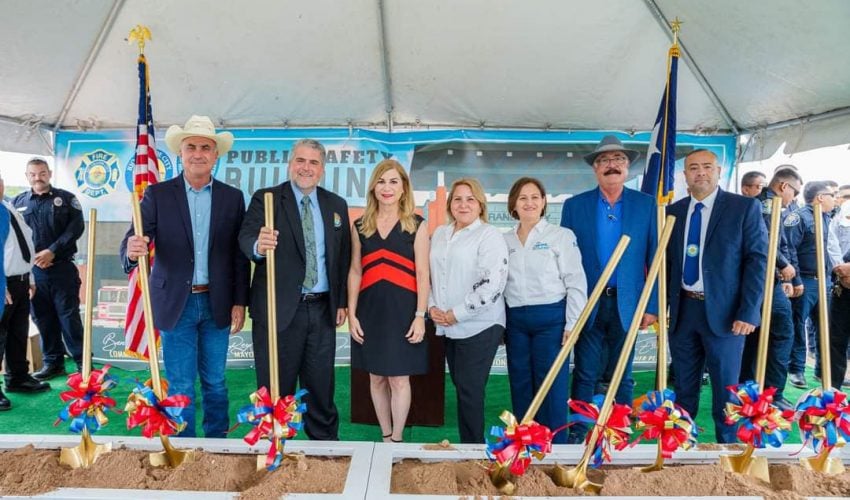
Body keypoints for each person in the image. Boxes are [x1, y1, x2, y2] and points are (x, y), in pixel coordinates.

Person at [120, 115, 250, 438]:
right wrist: (132, 249)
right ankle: (185, 446)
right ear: (181, 152)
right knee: (180, 384)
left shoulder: (233, 198)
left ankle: (217, 444)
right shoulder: (157, 194)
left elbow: (238, 255)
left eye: (205, 148)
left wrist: (239, 301)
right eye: (191, 147)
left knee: (215, 381)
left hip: (218, 303)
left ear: (215, 155)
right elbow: (134, 237)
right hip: (175, 304)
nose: (198, 154)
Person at [239, 139, 351, 441]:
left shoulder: (336, 205)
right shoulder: (267, 199)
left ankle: (325, 451)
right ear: (290, 164)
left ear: (322, 169)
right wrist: (258, 245)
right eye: (300, 160)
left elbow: (342, 257)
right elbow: (245, 237)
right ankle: (276, 449)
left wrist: (340, 301)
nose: (306, 168)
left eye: (313, 162)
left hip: (322, 310)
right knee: (276, 389)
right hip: (278, 310)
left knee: (321, 388)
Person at [559, 135, 657, 443]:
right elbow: (564, 259)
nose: (611, 165)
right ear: (595, 169)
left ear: (628, 167)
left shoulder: (646, 205)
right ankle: (578, 431)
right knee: (585, 371)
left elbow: (656, 257)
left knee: (622, 372)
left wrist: (652, 305)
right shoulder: (575, 206)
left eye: (618, 160)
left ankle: (620, 431)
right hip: (587, 302)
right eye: (603, 160)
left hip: (628, 304)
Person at [667, 149, 767, 443]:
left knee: (726, 390)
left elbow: (757, 261)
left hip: (726, 315)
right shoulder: (673, 212)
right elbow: (667, 264)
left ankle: (728, 449)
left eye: (707, 167)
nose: (700, 172)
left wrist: (749, 311)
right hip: (684, 311)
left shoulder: (743, 207)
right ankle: (680, 445)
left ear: (719, 171)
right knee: (683, 387)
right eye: (693, 168)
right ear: (685, 174)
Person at [347, 159, 429, 442]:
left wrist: (420, 316)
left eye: (394, 181)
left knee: (399, 378)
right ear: (373, 188)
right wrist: (352, 314)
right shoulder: (360, 226)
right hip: (370, 312)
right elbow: (355, 271)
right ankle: (385, 436)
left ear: (404, 188)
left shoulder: (417, 225)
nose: (387, 187)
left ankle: (397, 439)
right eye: (381, 181)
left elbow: (423, 273)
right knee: (376, 377)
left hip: (404, 312)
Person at [503, 177, 586, 443]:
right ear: (513, 204)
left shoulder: (560, 236)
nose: (529, 203)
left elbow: (576, 282)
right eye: (523, 198)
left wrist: (573, 324)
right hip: (516, 321)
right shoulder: (503, 240)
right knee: (520, 383)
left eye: (535, 197)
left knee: (551, 385)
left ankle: (556, 446)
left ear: (543, 202)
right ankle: (525, 443)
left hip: (551, 320)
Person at [429, 177, 508, 443]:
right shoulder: (440, 234)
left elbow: (493, 284)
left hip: (480, 325)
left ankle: (473, 452)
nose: (463, 205)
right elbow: (430, 275)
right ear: (450, 204)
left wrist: (457, 313)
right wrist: (432, 306)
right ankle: (469, 448)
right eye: (458, 199)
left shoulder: (489, 235)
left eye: (470, 199)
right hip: (447, 326)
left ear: (480, 204)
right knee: (463, 388)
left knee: (470, 391)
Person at [14, 158, 84, 380]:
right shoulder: (18, 203)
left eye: (42, 173)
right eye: (33, 174)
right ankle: (53, 363)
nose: (38, 178)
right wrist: (33, 259)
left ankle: (83, 363)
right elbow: (14, 236)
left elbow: (76, 228)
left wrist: (52, 250)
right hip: (34, 274)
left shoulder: (66, 199)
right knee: (42, 318)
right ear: (27, 176)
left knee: (69, 318)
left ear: (50, 173)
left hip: (61, 269)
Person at [739, 168, 802, 410]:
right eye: (795, 192)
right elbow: (765, 241)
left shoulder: (764, 204)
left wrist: (787, 276)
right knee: (782, 333)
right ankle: (773, 392)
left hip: (760, 280)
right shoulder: (765, 205)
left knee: (754, 336)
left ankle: (747, 388)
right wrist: (784, 265)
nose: (794, 198)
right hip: (762, 280)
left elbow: (782, 243)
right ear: (784, 186)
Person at [785, 180, 836, 388]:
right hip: (805, 280)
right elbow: (789, 250)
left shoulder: (827, 218)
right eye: (832, 195)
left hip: (825, 281)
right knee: (798, 325)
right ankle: (796, 369)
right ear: (820, 197)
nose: (835, 199)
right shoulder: (798, 217)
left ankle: (824, 371)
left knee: (826, 326)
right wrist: (795, 279)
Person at [0, 171, 45, 408]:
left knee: (18, 332)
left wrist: (30, 277)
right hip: (4, 283)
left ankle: (18, 377)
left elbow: (23, 245)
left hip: (20, 280)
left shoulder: (9, 206)